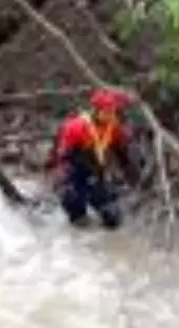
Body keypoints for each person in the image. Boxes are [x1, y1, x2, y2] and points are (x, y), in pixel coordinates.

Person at [45, 87, 139, 228]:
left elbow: (121, 151)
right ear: (96, 110)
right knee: (74, 206)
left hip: (96, 172)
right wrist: (61, 179)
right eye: (106, 112)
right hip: (74, 172)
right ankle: (78, 219)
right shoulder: (76, 127)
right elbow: (63, 156)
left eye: (112, 112)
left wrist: (129, 170)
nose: (110, 115)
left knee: (112, 216)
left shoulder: (114, 126)